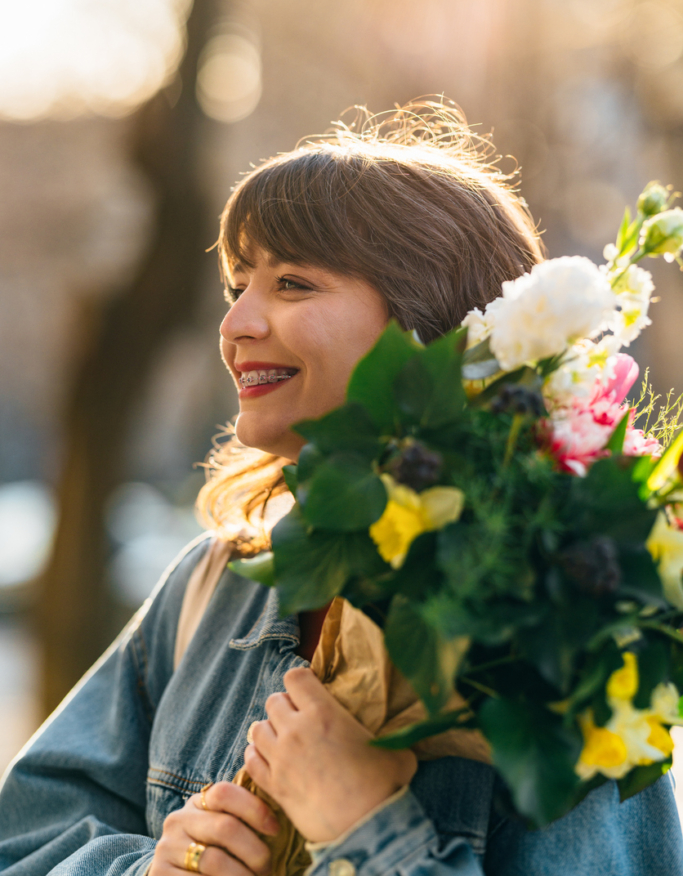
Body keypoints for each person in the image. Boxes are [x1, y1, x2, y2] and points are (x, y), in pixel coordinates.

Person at [0, 103, 681, 876]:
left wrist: (363, 827)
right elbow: (24, 839)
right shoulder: (211, 585)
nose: (235, 323)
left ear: (427, 321)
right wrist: (152, 868)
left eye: (291, 283)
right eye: (236, 286)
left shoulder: (556, 631)